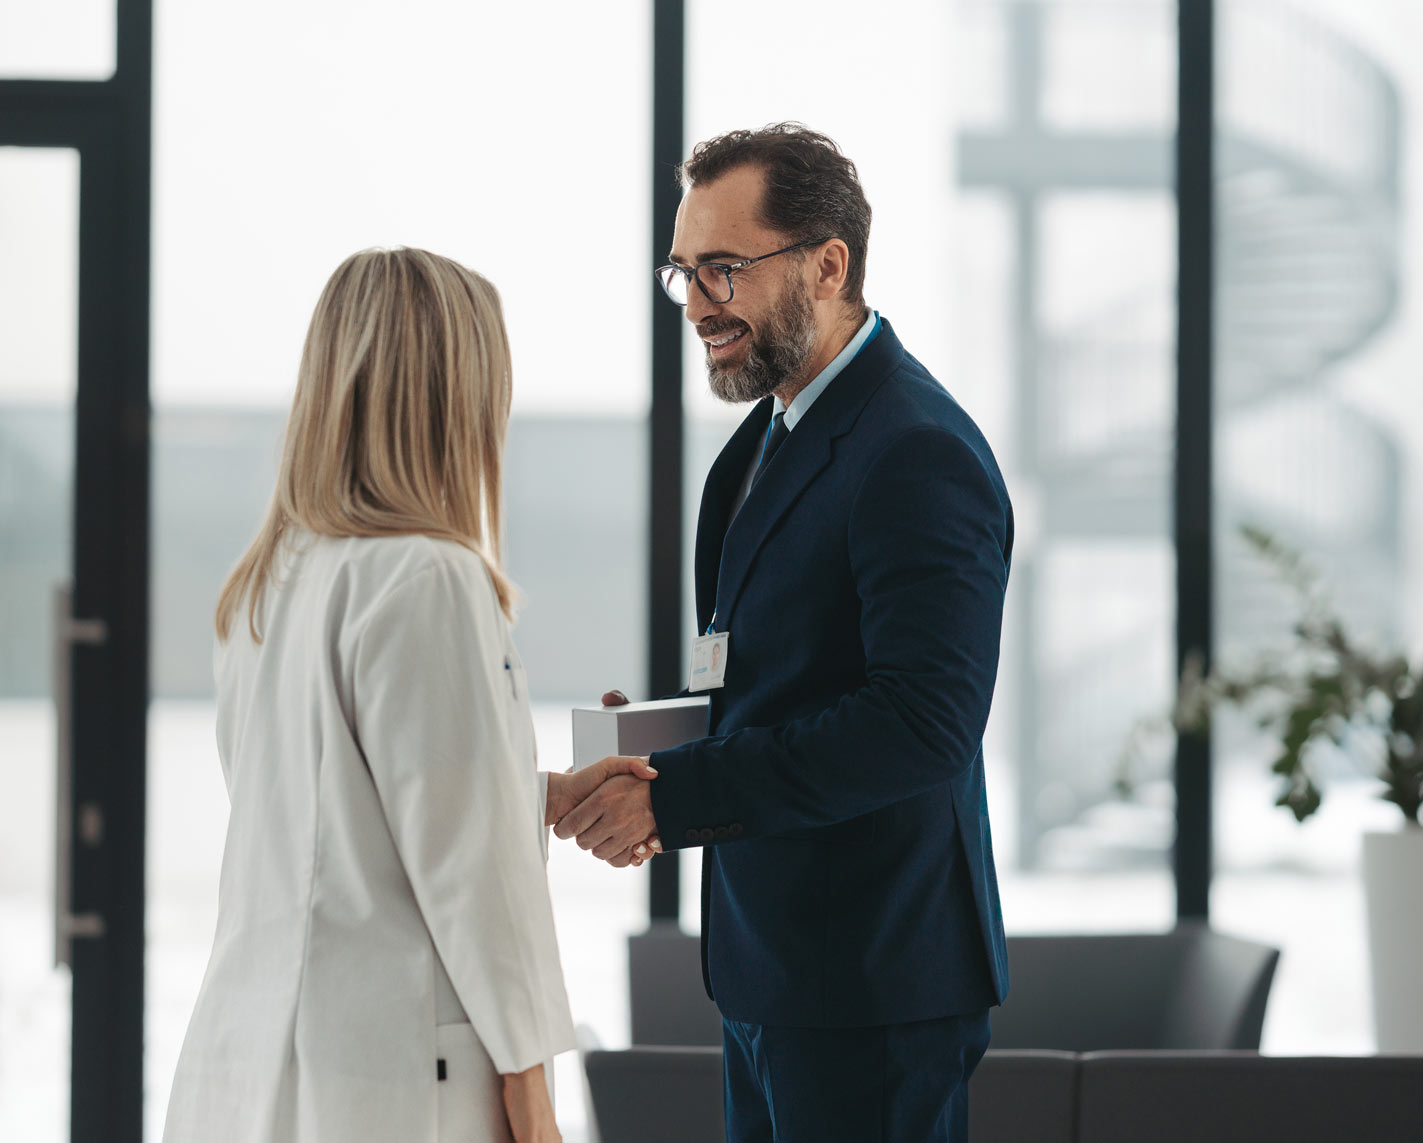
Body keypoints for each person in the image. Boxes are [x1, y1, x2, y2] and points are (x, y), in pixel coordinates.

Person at [555, 124, 1013, 1142]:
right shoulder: (758, 448)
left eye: (724, 268)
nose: (698, 304)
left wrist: (678, 800)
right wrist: (642, 757)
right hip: (771, 973)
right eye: (684, 272)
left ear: (828, 264)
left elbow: (920, 722)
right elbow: (766, 688)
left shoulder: (916, 449)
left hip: (872, 983)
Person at [162, 247, 654, 1143]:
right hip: (386, 1080)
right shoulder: (428, 575)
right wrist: (533, 1100)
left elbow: (330, 814)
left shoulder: (266, 581)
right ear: (449, 397)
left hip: (244, 1063)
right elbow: (477, 880)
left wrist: (526, 792)